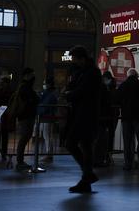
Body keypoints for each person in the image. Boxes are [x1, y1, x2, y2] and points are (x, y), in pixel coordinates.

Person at [64, 46, 101, 193]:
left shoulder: (92, 72)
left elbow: (83, 91)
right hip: (83, 114)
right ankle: (87, 178)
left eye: (74, 58)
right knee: (85, 147)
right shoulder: (82, 71)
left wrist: (69, 94)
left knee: (72, 143)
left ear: (82, 58)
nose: (73, 61)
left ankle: (88, 175)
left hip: (86, 114)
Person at [118, 68, 139, 171]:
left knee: (128, 142)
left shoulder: (123, 85)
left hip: (127, 117)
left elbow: (117, 98)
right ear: (137, 75)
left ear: (128, 76)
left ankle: (128, 163)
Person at [14, 68, 40, 170]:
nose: (33, 77)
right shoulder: (25, 87)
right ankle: (20, 161)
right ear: (27, 75)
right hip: (26, 116)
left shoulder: (24, 86)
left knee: (24, 138)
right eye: (31, 75)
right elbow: (34, 99)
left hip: (26, 115)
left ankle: (20, 161)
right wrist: (34, 98)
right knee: (24, 137)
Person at [94, 71, 116, 167]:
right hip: (105, 117)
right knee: (102, 139)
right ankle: (100, 159)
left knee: (99, 139)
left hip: (100, 117)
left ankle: (98, 159)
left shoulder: (98, 88)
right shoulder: (105, 89)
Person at [37, 76, 58, 163]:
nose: (44, 85)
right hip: (46, 117)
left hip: (47, 117)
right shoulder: (49, 93)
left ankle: (49, 155)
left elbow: (44, 106)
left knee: (48, 137)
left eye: (45, 83)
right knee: (47, 136)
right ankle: (49, 154)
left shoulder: (50, 94)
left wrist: (39, 111)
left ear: (48, 85)